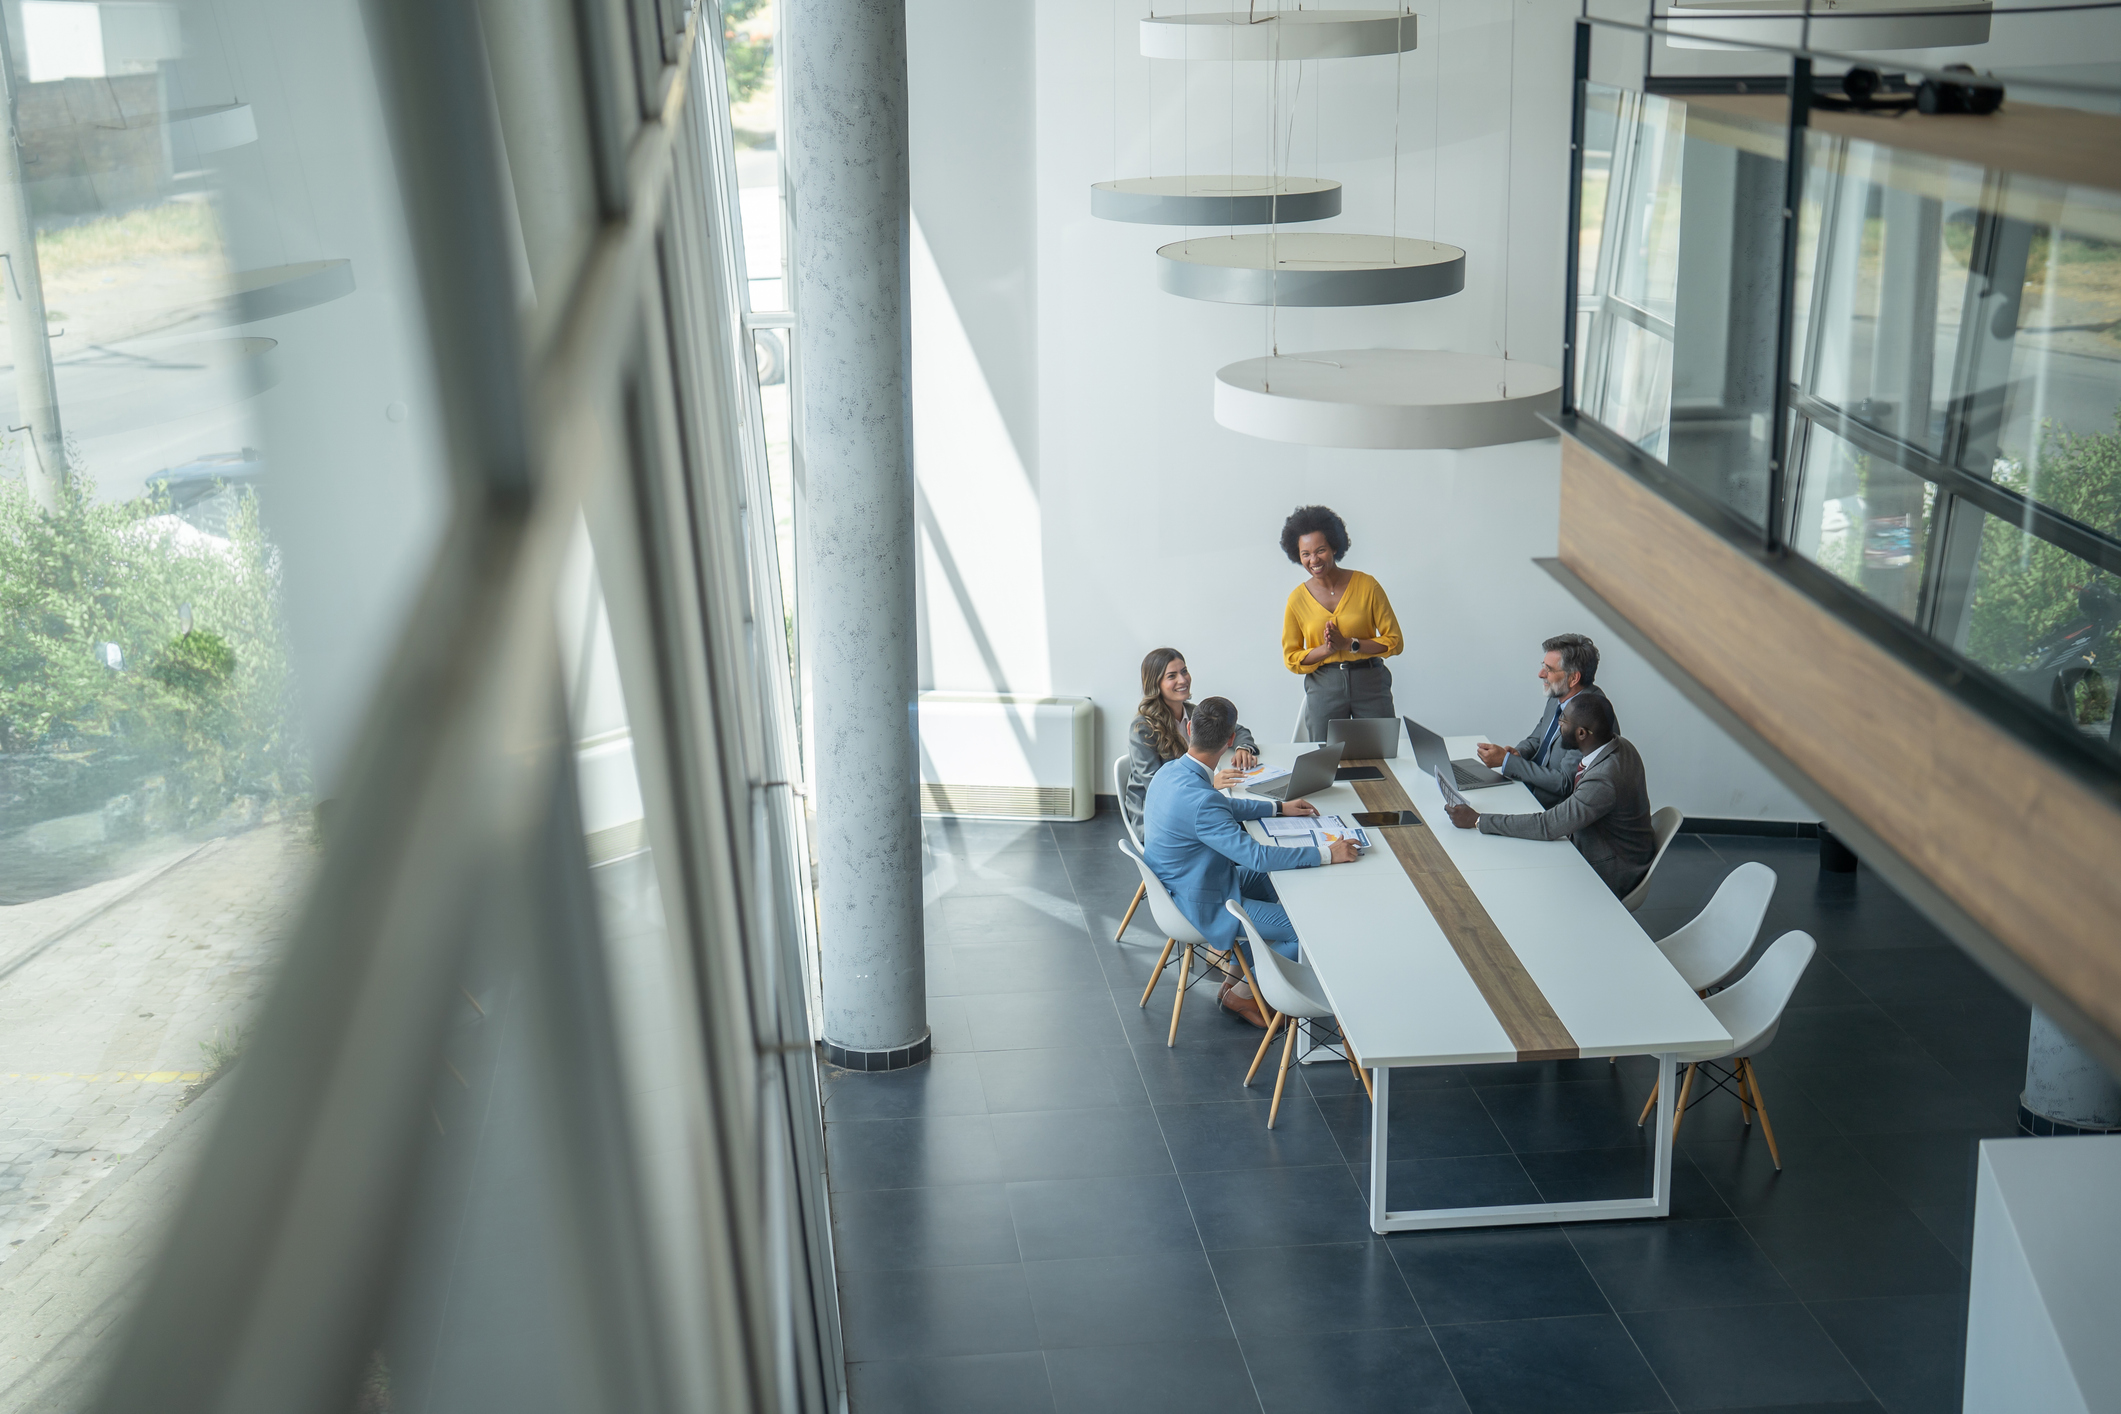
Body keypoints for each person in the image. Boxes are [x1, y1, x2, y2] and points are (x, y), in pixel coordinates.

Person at [1143, 697, 1359, 1026]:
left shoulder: (1171, 770)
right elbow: (1256, 857)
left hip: (1191, 881)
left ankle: (1238, 974)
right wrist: (1328, 853)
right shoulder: (1202, 801)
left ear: (1190, 729)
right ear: (1231, 740)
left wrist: (1276, 808)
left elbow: (1218, 808)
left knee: (1280, 885)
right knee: (1304, 931)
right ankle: (1244, 993)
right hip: (1202, 899)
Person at [1444, 693, 1656, 898]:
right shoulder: (1619, 744)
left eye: (1563, 720)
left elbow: (1548, 826)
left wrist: (1478, 820)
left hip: (1612, 869)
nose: (1558, 724)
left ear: (1581, 733)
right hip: (1609, 844)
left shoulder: (1603, 779)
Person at [1279, 505, 1403, 740]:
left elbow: (1394, 642)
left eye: (1321, 550)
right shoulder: (1296, 599)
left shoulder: (1367, 586)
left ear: (1335, 547)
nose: (1313, 560)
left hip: (1370, 682)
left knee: (1381, 753)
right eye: (1305, 554)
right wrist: (1327, 649)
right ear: (1298, 555)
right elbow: (1292, 658)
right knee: (1325, 759)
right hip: (1324, 685)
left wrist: (1350, 644)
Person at [1123, 647, 1260, 843]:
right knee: (1229, 826)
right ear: (1156, 684)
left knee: (1238, 823)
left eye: (1184, 671)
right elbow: (1158, 787)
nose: (1183, 680)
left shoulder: (1194, 712)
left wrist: (1243, 748)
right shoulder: (1142, 728)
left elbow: (1237, 730)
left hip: (1190, 801)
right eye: (1172, 676)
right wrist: (1209, 783)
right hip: (1157, 815)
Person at [1474, 633, 1608, 808]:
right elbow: (1537, 739)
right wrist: (1517, 753)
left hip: (1552, 809)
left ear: (1573, 678)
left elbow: (1564, 783)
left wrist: (1508, 762)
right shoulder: (1558, 695)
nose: (1540, 674)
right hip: (1529, 790)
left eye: (1549, 669)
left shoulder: (1592, 716)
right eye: (1542, 666)